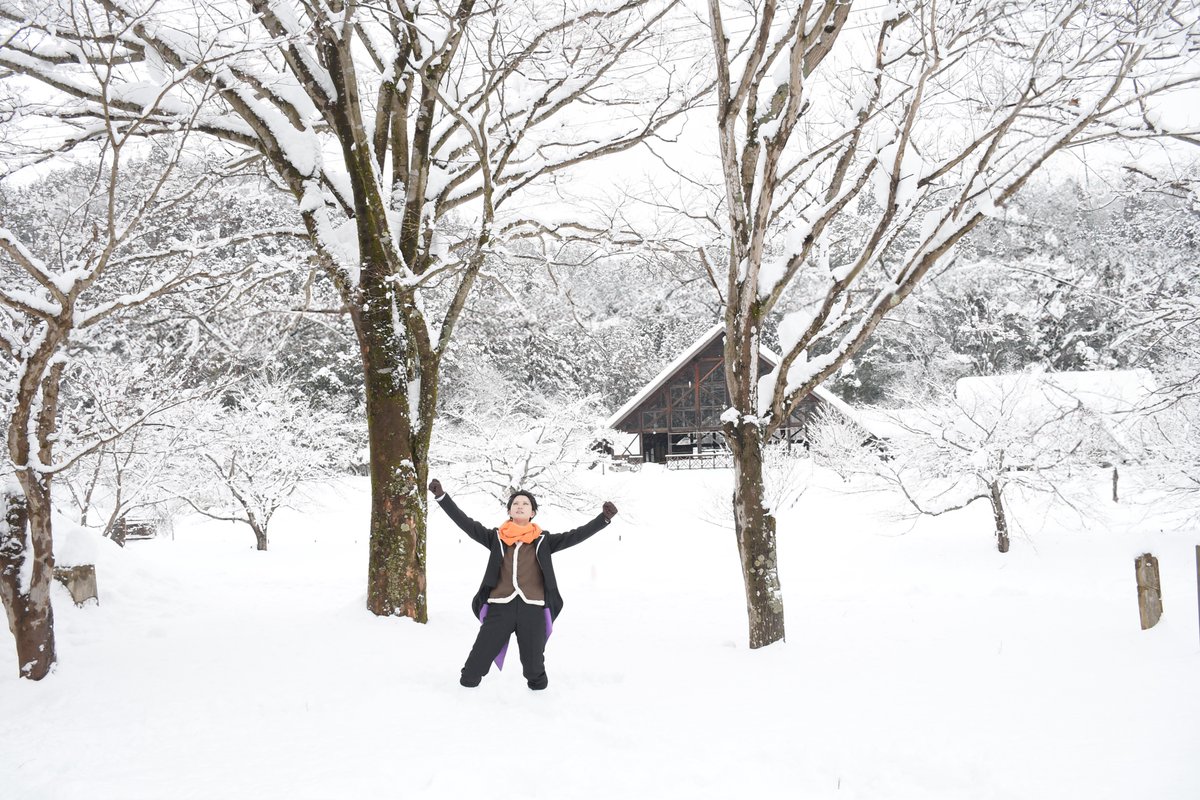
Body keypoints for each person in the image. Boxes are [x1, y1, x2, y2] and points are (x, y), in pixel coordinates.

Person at [428, 478, 618, 691]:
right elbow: (466, 523)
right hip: (500, 608)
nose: (520, 506)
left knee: (533, 669)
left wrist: (604, 519)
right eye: (515, 504)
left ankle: (539, 703)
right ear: (509, 511)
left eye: (525, 504)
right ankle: (464, 701)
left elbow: (576, 536)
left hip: (533, 609)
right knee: (473, 669)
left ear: (532, 513)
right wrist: (442, 497)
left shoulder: (544, 541)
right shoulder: (495, 538)